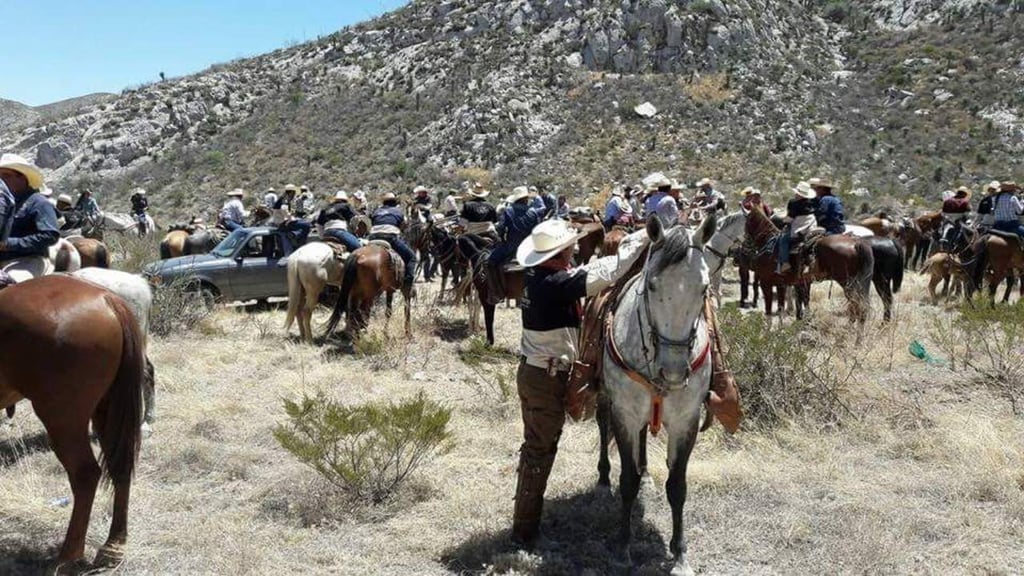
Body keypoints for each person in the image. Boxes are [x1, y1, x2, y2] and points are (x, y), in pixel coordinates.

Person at [511, 218, 650, 545]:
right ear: (559, 253)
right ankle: (523, 533)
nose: (575, 249)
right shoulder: (555, 282)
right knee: (539, 450)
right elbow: (610, 269)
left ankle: (527, 521)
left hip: (539, 372)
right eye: (570, 247)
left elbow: (593, 268)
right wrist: (646, 233)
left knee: (538, 447)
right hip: (546, 376)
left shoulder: (539, 276)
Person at [0, 153, 60, 282]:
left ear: (22, 178)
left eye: (6, 176)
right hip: (3, 260)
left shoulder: (39, 202)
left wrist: (9, 244)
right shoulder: (4, 203)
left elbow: (50, 235)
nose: (1, 181)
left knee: (6, 284)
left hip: (28, 261)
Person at [488, 186, 544, 302]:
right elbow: (537, 230)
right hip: (529, 247)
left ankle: (497, 292)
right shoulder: (533, 212)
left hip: (511, 246)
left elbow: (502, 228)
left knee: (491, 262)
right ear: (525, 199)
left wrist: (501, 238)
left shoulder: (508, 211)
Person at [369, 192, 417, 291]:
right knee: (411, 257)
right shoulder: (398, 211)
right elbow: (403, 226)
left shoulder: (377, 211)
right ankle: (408, 284)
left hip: (373, 237)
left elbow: (373, 222)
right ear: (394, 202)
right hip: (390, 238)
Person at [777, 182, 818, 274]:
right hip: (811, 226)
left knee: (783, 240)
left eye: (797, 193)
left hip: (799, 228)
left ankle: (785, 263)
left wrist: (782, 221)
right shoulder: (811, 203)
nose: (795, 194)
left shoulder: (794, 203)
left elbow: (789, 219)